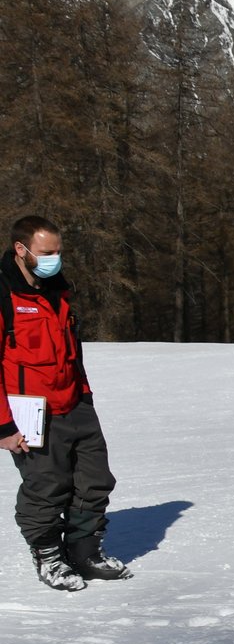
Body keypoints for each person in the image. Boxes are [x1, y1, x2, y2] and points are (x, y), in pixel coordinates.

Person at [1, 215, 130, 591]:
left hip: (76, 403)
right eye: (46, 252)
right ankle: (49, 557)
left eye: (58, 251)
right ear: (21, 250)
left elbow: (72, 352)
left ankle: (85, 552)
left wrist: (85, 395)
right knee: (46, 486)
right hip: (31, 412)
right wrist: (4, 427)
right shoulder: (4, 295)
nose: (54, 258)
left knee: (94, 481)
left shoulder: (57, 289)